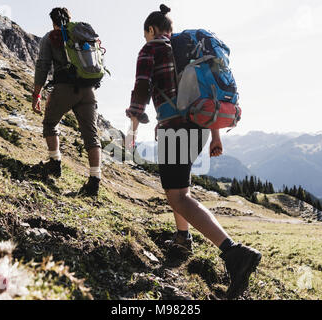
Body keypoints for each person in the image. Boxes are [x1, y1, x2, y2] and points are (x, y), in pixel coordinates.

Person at [125, 4, 262, 299]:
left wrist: (132, 130)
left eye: (146, 33)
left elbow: (141, 88)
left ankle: (234, 253)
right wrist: (215, 135)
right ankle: (183, 237)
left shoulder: (152, 48)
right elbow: (203, 92)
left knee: (178, 195)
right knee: (180, 189)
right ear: (170, 29)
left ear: (150, 29)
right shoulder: (187, 49)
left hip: (175, 127)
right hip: (200, 125)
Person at [32, 7, 102, 196]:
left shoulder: (50, 37)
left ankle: (55, 164)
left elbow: (43, 65)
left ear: (52, 20)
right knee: (91, 135)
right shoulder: (83, 34)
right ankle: (94, 181)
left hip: (65, 88)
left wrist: (36, 94)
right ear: (70, 18)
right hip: (89, 90)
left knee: (49, 124)